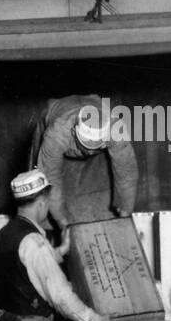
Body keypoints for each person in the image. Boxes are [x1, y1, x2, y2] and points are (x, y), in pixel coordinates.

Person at [0, 169, 108, 321]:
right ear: (42, 202)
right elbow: (61, 297)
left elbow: (24, 268)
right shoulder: (34, 242)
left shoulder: (4, 234)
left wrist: (61, 251)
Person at [32, 94, 138, 244]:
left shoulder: (116, 130)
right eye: (86, 146)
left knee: (113, 203)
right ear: (74, 132)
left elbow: (126, 173)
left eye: (95, 146)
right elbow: (51, 178)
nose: (90, 151)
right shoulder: (56, 135)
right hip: (55, 116)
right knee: (42, 195)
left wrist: (125, 214)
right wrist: (62, 222)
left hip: (95, 104)